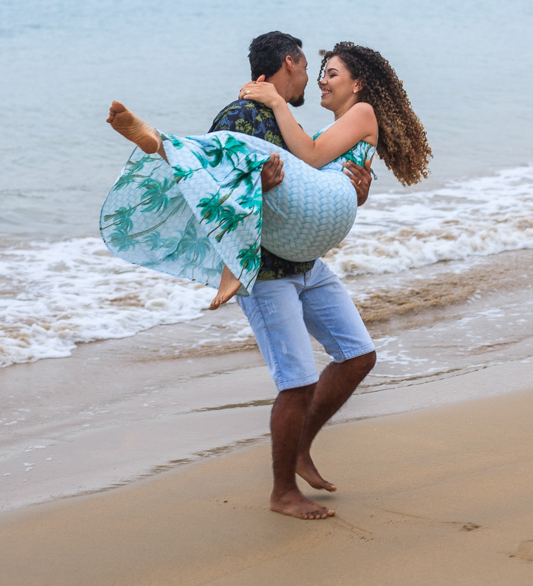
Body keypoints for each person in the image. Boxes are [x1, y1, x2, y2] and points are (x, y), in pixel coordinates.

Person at [103, 31, 431, 519]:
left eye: (329, 74)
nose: (317, 80)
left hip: (305, 260)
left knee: (358, 355)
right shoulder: (242, 114)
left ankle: (301, 447)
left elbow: (315, 167)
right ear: (289, 63)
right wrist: (258, 178)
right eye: (312, 70)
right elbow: (215, 178)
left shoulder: (296, 119)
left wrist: (352, 190)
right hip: (269, 269)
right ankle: (282, 492)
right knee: (296, 382)